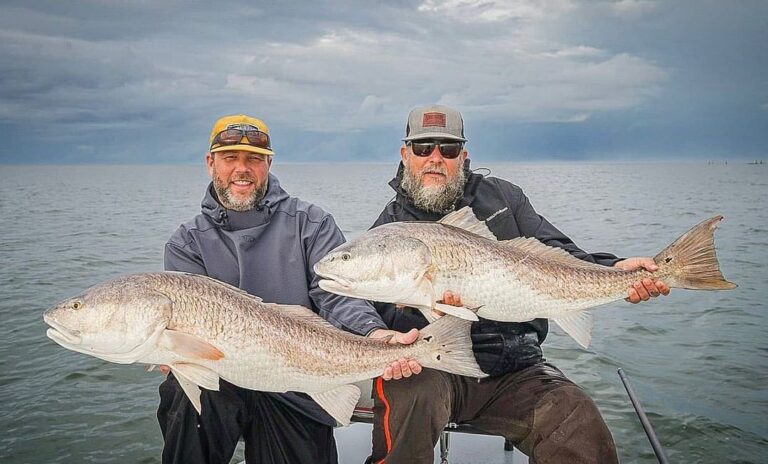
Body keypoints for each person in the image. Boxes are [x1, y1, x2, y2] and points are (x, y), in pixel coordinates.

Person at [367, 104, 671, 464]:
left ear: (463, 156)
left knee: (576, 416)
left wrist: (617, 268)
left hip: (513, 367)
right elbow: (369, 307)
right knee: (404, 395)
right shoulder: (390, 228)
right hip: (433, 366)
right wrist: (407, 308)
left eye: (447, 149)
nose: (435, 158)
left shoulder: (504, 199)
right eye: (423, 148)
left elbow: (557, 251)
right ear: (406, 155)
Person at [157, 114, 410, 464]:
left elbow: (335, 295)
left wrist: (374, 331)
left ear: (269, 163)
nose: (241, 169)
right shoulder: (187, 242)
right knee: (184, 397)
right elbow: (183, 324)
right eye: (230, 158)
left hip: (298, 377)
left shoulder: (311, 223)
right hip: (220, 376)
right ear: (210, 162)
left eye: (254, 159)